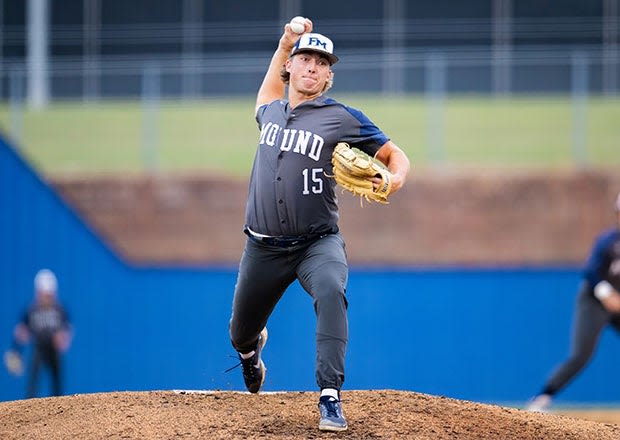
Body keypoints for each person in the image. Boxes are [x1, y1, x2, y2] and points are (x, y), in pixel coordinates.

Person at [227, 17, 410, 432]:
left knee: (331, 290)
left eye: (321, 62)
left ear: (329, 75)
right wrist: (284, 42)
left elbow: (395, 154)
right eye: (305, 58)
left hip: (317, 243)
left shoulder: (342, 117)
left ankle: (330, 395)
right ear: (290, 67)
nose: (311, 66)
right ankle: (250, 353)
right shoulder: (269, 111)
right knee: (239, 332)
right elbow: (269, 86)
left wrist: (395, 178)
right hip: (263, 247)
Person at [526, 192, 620, 412]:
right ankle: (542, 398)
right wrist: (607, 294)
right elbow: (591, 271)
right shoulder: (609, 242)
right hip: (595, 301)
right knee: (581, 354)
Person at [5, 269, 72, 398]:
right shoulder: (32, 310)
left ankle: (60, 407)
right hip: (38, 348)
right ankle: (29, 405)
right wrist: (16, 351)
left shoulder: (59, 310)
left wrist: (63, 339)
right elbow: (21, 331)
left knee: (57, 381)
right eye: (44, 294)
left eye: (49, 294)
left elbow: (67, 329)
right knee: (33, 380)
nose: (47, 298)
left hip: (54, 350)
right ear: (38, 293)